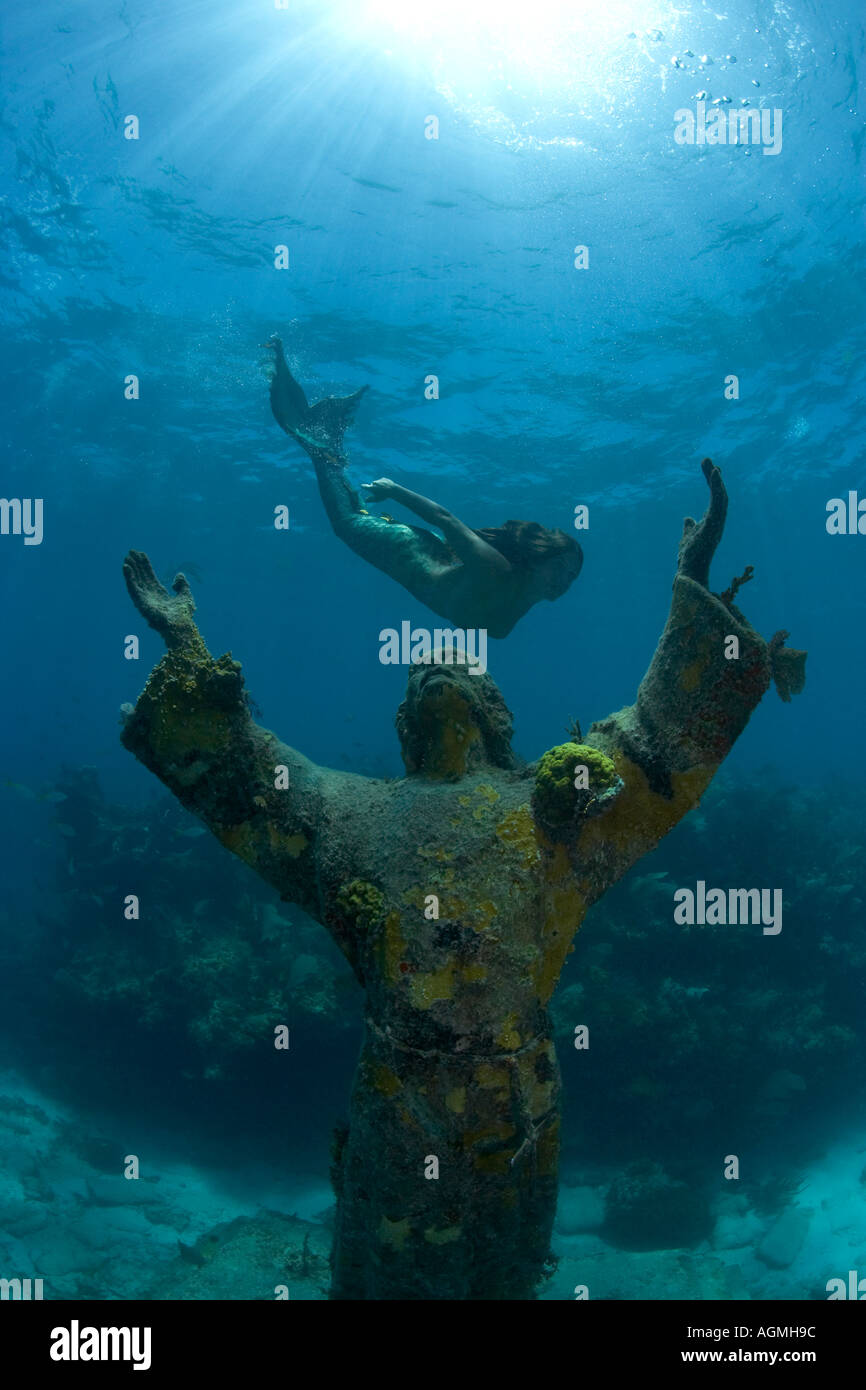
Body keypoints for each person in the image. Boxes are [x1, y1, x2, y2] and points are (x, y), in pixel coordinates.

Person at [120, 460, 805, 1300]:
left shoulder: (553, 810)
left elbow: (660, 744)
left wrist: (693, 587)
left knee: (502, 1276)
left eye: (466, 676)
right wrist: (187, 648)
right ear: (406, 724)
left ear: (498, 716)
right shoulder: (350, 813)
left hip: (518, 1115)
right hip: (405, 1111)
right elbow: (249, 776)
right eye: (424, 678)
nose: (441, 675)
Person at [265, 336, 582, 638]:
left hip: (429, 556)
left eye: (571, 578)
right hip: (410, 550)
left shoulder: (514, 606)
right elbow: (445, 519)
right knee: (346, 522)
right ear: (540, 557)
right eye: (560, 569)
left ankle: (327, 437)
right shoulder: (495, 570)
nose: (564, 582)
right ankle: (323, 437)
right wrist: (393, 490)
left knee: (350, 511)